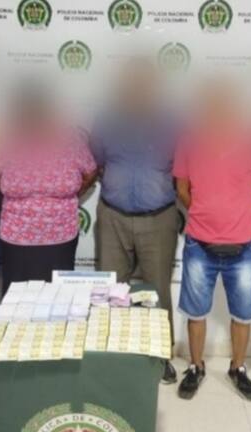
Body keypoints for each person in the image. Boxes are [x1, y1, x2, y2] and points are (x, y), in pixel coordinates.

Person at [174, 78, 251, 401]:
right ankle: (196, 367)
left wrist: (233, 212)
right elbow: (182, 188)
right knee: (196, 312)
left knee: (243, 313)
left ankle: (238, 368)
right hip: (199, 243)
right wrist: (205, 211)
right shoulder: (188, 139)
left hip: (243, 245)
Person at [90, 58, 180, 384]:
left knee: (157, 291)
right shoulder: (106, 120)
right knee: (111, 291)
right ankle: (113, 355)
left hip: (159, 218)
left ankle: (160, 357)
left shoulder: (173, 123)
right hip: (113, 216)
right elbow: (97, 160)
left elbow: (183, 166)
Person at [0, 81, 97, 294]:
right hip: (17, 235)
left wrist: (71, 193)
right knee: (18, 297)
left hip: (60, 234)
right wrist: (16, 192)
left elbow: (90, 171)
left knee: (57, 297)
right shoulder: (7, 139)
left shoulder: (69, 138)